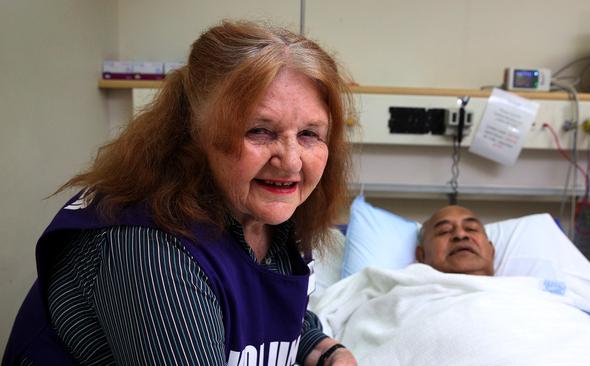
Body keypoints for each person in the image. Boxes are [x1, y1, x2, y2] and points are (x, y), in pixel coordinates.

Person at [3, 21, 357, 366]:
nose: (291, 161)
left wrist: (325, 349)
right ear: (195, 133)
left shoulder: (270, 214)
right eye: (260, 131)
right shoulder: (151, 250)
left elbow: (270, 311)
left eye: (310, 134)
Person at [416, 205, 495, 276]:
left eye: (471, 229)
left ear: (491, 251)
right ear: (422, 256)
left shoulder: (506, 286)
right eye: (445, 231)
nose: (460, 235)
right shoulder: (406, 289)